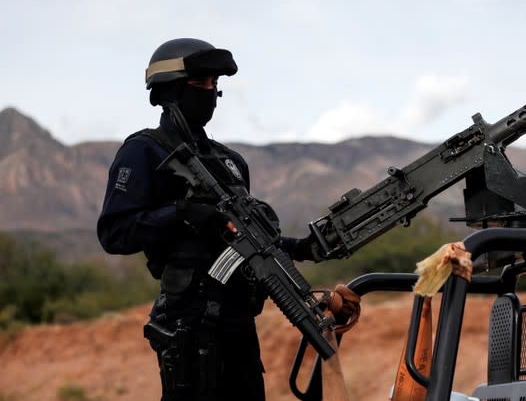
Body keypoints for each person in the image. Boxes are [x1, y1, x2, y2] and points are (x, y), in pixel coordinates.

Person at [97, 38, 355, 401]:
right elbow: (114, 232)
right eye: (200, 83)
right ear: (169, 90)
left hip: (238, 325)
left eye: (215, 85)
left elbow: (245, 240)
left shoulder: (229, 161)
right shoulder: (144, 150)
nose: (210, 92)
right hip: (189, 323)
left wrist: (301, 248)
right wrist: (183, 214)